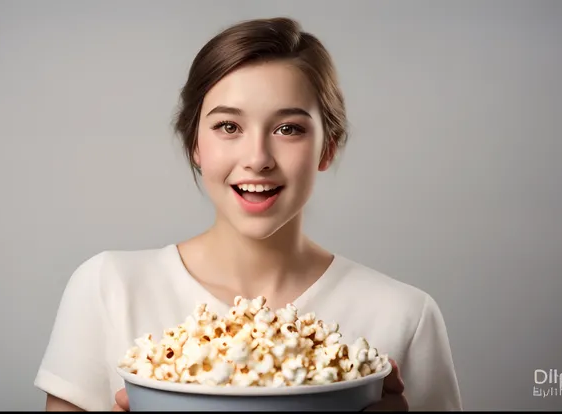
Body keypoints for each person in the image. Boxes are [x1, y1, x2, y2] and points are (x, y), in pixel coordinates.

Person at [34, 17, 463, 411]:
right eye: (228, 127)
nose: (257, 159)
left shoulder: (405, 316)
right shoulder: (109, 289)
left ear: (327, 148)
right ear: (196, 145)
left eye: (288, 129)